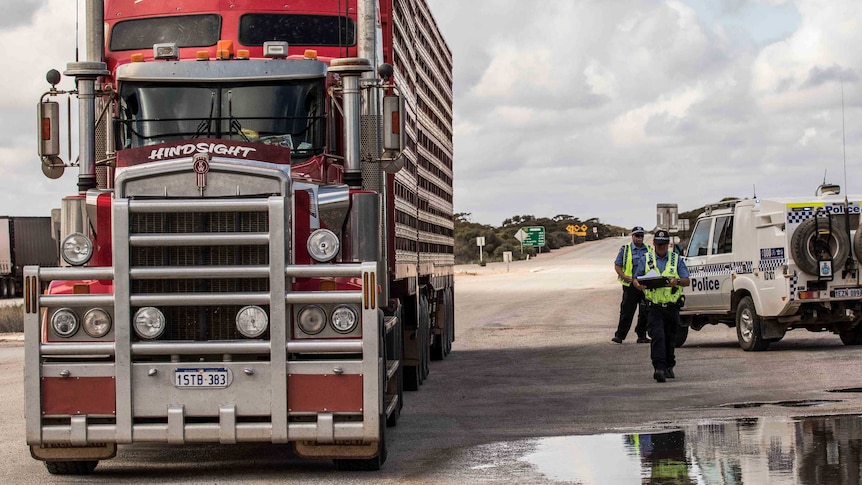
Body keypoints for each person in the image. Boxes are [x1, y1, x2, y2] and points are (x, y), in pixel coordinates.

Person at [633, 230, 690, 383]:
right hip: (654, 307)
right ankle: (659, 368)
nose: (661, 247)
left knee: (670, 338)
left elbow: (686, 280)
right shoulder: (647, 259)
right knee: (658, 336)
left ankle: (669, 365)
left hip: (671, 307)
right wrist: (638, 284)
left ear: (668, 244)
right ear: (654, 244)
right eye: (658, 244)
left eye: (664, 244)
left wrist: (676, 281)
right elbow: (636, 278)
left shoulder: (676, 259)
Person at [612, 226, 651, 344]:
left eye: (641, 236)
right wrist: (623, 276)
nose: (640, 238)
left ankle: (642, 335)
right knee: (627, 312)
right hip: (630, 286)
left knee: (645, 311)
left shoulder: (648, 249)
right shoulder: (626, 249)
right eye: (637, 236)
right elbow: (617, 265)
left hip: (644, 285)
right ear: (632, 236)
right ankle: (620, 335)